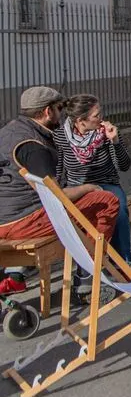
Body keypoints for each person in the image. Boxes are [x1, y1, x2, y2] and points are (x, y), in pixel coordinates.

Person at [0, 87, 120, 294]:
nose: (62, 113)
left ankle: (19, 274)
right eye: (59, 108)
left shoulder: (9, 130)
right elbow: (55, 195)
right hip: (21, 220)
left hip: (9, 215)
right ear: (48, 111)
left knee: (85, 207)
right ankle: (88, 274)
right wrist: (88, 187)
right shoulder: (33, 145)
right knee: (106, 200)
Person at [53, 95, 131, 264]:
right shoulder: (61, 136)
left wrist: (115, 141)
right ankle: (86, 266)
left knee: (118, 207)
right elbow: (58, 169)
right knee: (74, 217)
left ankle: (124, 264)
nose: (101, 118)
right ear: (80, 120)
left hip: (106, 183)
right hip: (77, 187)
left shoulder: (105, 133)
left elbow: (125, 165)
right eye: (96, 115)